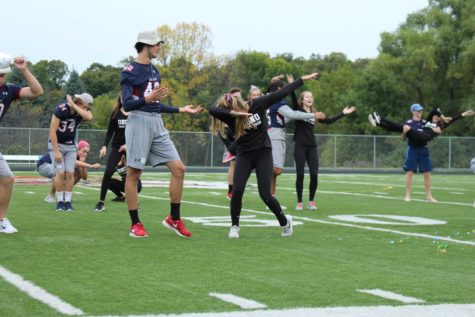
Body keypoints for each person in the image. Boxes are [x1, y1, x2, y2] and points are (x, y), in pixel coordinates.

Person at [209, 72, 320, 239]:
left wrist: (301, 80)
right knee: (237, 190)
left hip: (263, 153)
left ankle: (284, 222)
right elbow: (212, 110)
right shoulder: (231, 116)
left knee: (265, 194)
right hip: (245, 154)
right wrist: (234, 114)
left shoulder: (257, 104)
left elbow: (281, 93)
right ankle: (234, 226)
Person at [120, 30, 202, 238]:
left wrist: (181, 109)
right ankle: (135, 224)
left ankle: (173, 219)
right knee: (134, 174)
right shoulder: (130, 70)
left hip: (156, 122)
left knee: (179, 169)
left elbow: (155, 102)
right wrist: (148, 100)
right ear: (145, 45)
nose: (159, 48)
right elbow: (127, 104)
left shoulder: (155, 70)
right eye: (156, 44)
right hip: (138, 121)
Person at [0, 53, 43, 234]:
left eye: (3, 75)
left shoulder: (7, 90)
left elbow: (36, 91)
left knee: (8, 178)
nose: (2, 78)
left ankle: (1, 220)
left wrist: (24, 70)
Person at [292, 90, 355, 210]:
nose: (310, 98)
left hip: (312, 146)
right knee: (300, 174)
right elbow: (294, 101)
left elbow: (329, 120)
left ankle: (311, 202)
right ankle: (299, 202)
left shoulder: (316, 113)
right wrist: (292, 87)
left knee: (314, 174)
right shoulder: (298, 111)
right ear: (302, 100)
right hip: (300, 145)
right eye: (307, 97)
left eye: (311, 96)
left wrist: (343, 113)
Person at [266, 74, 324, 201]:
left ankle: (271, 197)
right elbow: (292, 114)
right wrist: (312, 115)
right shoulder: (278, 102)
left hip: (266, 134)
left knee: (274, 174)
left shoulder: (267, 99)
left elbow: (284, 118)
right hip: (276, 135)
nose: (285, 92)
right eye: (283, 89)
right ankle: (259, 167)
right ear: (279, 90)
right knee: (277, 170)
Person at [49, 93, 94, 211]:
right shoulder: (61, 109)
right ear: (80, 102)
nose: (87, 109)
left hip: (70, 146)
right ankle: (59, 202)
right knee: (60, 173)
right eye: (86, 106)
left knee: (69, 173)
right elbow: (52, 131)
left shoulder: (79, 110)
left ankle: (67, 202)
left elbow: (89, 117)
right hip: (57, 144)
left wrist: (74, 104)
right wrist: (56, 151)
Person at [368, 108, 474, 146]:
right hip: (418, 136)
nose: (436, 118)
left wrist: (464, 114)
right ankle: (379, 122)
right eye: (436, 117)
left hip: (424, 138)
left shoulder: (441, 125)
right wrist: (443, 116)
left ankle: (381, 119)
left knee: (404, 127)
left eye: (438, 117)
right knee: (400, 128)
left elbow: (455, 119)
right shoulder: (427, 121)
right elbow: (434, 110)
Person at [94, 96, 129, 211]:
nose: (126, 99)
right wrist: (104, 145)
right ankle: (101, 202)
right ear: (120, 99)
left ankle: (133, 202)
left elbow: (139, 133)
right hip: (117, 147)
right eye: (124, 97)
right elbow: (110, 132)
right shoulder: (116, 113)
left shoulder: (136, 113)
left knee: (132, 175)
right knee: (108, 172)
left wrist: (129, 146)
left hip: (132, 148)